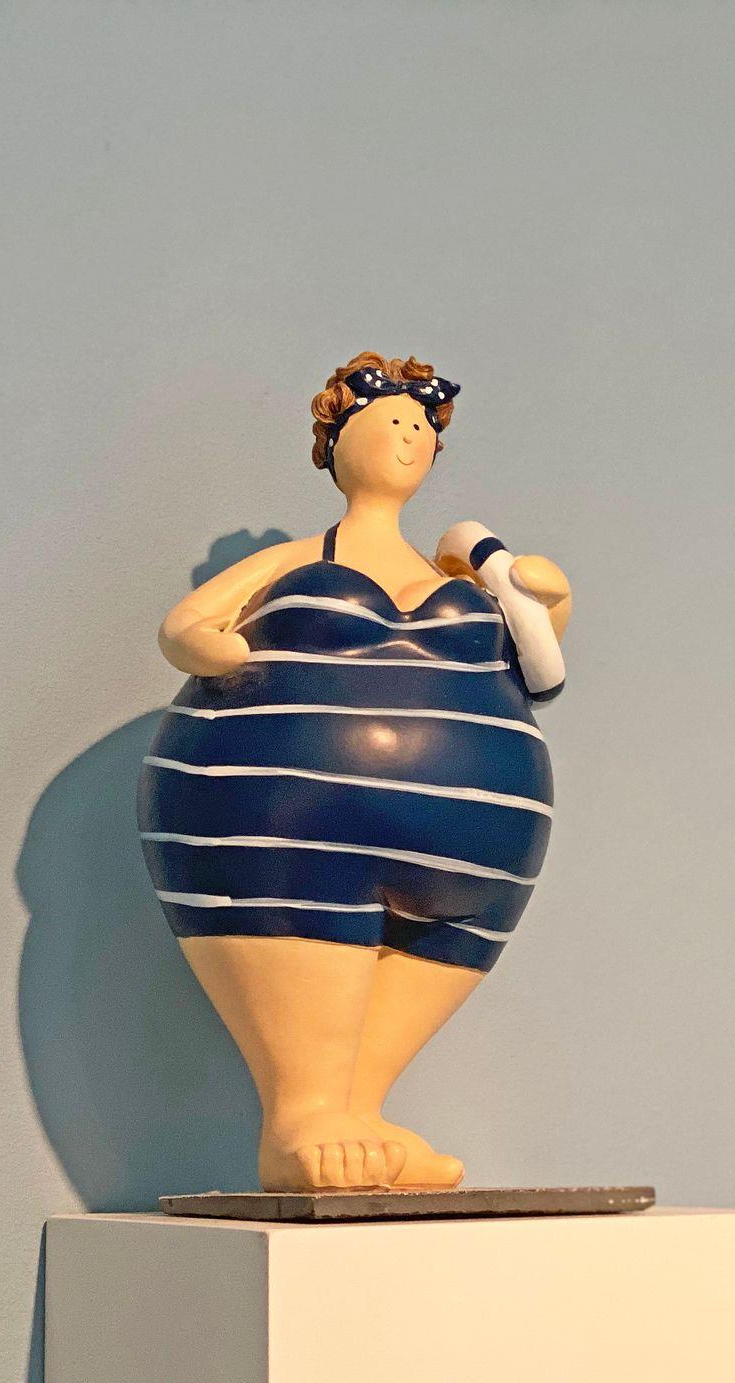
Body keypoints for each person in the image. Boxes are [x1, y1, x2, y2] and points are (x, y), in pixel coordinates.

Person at [138, 352, 572, 1191]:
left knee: (393, 1017)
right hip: (285, 823)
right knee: (310, 1021)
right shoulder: (301, 559)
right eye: (390, 419)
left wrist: (542, 596)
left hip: (483, 856)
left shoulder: (458, 577)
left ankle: (358, 1112)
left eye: (421, 425)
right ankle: (298, 1119)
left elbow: (540, 653)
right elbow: (187, 625)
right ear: (335, 440)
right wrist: (206, 645)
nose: (408, 435)